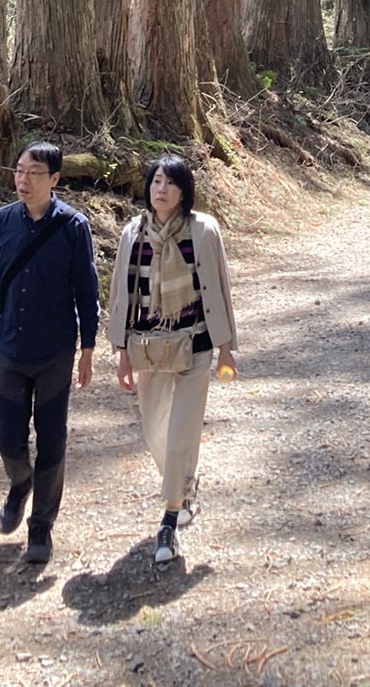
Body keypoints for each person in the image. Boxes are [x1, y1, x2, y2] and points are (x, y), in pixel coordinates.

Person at [0, 142, 101, 567]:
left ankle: (41, 527)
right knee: (9, 442)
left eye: (34, 173)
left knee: (52, 442)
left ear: (54, 179)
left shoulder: (74, 227)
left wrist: (87, 348)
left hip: (55, 350)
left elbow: (87, 290)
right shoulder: (0, 223)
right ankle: (20, 485)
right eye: (19, 171)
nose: (23, 180)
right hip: (10, 350)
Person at [107, 155, 239, 567]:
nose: (160, 189)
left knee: (182, 432)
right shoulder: (134, 233)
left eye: (169, 183)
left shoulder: (203, 231)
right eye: (155, 181)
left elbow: (219, 288)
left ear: (184, 191)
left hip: (195, 346)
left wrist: (226, 347)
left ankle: (169, 519)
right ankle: (184, 483)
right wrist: (121, 352)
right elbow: (120, 295)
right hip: (149, 347)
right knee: (153, 433)